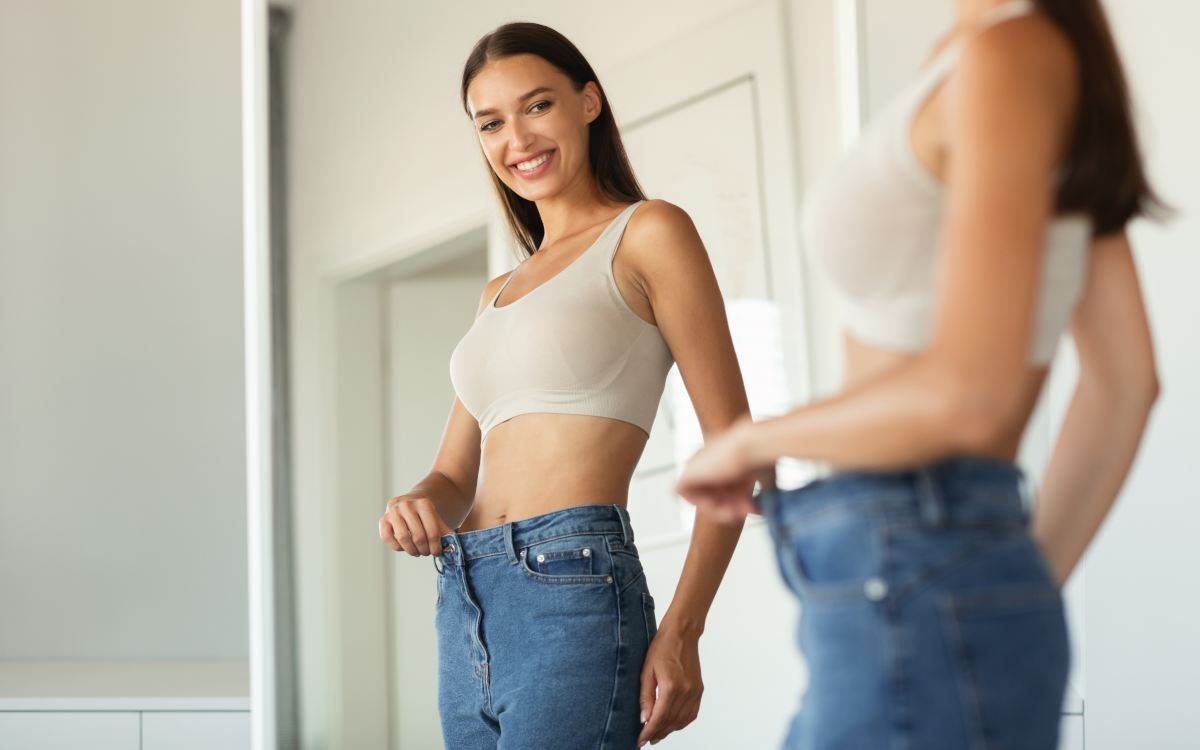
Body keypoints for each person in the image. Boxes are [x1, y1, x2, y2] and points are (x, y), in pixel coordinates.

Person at [677, 0, 1160, 748]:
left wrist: (748, 439)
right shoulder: (1006, 54)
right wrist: (1005, 582)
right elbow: (1124, 384)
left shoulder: (1012, 54)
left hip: (907, 554)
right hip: (915, 567)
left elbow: (970, 395)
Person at [379, 22, 752, 750]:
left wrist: (683, 629)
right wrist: (419, 502)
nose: (516, 137)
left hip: (573, 581)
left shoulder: (648, 234)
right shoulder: (497, 291)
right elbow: (455, 474)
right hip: (466, 590)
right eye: (490, 122)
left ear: (588, 103)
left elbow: (736, 447)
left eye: (537, 106)